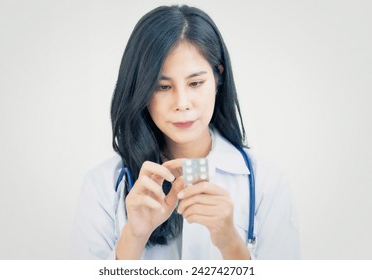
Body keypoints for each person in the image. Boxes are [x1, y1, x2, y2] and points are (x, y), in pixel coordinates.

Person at [69, 5, 301, 260]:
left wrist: (230, 243)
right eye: (163, 87)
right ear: (142, 92)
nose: (182, 102)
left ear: (217, 78)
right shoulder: (102, 187)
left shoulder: (267, 182)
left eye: (195, 83)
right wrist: (134, 237)